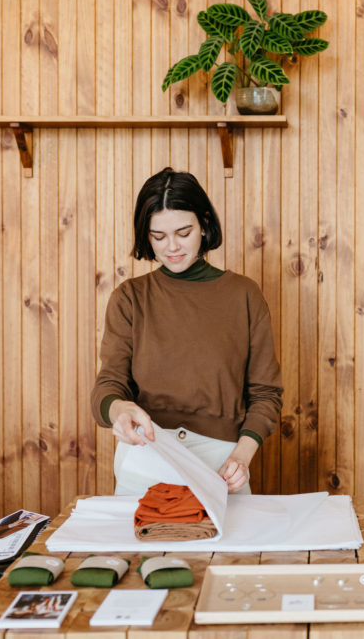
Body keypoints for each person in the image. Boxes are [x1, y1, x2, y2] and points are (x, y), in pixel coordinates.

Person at [91, 168, 282, 494]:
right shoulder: (129, 298)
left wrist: (242, 455)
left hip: (222, 462)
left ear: (205, 224)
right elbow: (108, 385)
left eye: (183, 232)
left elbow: (266, 394)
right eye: (158, 236)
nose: (172, 247)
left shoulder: (244, 295)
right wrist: (119, 409)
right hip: (146, 455)